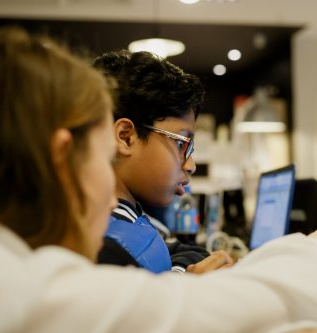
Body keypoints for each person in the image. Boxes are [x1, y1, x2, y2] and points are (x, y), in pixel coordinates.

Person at [0, 27, 317, 332]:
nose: (112, 199)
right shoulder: (28, 293)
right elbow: (236, 308)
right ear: (64, 156)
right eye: (98, 155)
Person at [93, 50, 223, 274]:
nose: (190, 164)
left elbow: (181, 250)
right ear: (126, 136)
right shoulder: (100, 246)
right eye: (181, 144)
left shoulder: (131, 217)